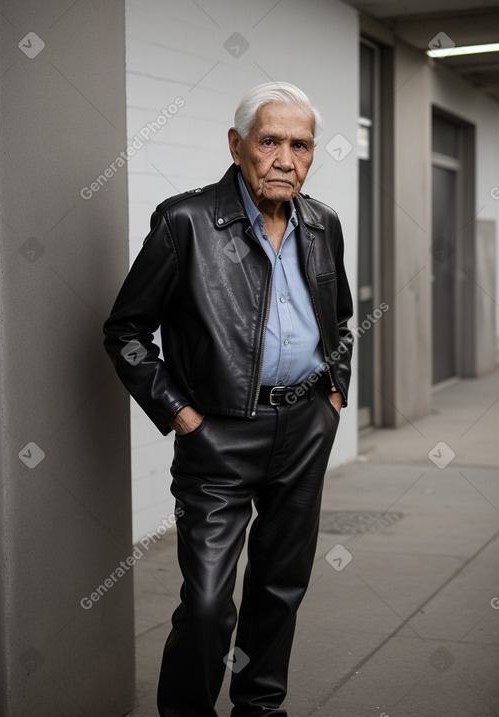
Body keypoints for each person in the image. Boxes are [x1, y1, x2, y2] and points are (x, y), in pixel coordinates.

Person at [103, 81, 353, 717]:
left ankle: (261, 706)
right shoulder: (184, 220)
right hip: (216, 434)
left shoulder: (323, 224)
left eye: (301, 145)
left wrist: (334, 388)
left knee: (280, 586)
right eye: (270, 141)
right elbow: (125, 331)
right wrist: (179, 413)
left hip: (304, 426)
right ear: (238, 145)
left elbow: (340, 321)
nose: (285, 158)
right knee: (210, 601)